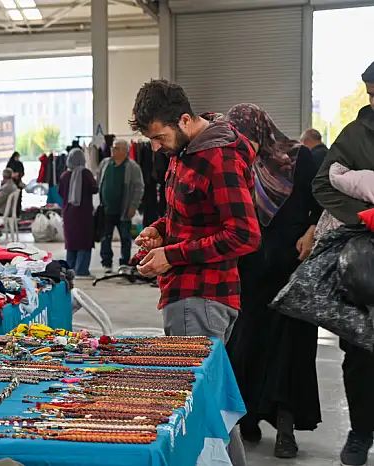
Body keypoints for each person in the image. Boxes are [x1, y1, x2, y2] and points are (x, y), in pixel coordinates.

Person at [129, 79, 261, 466]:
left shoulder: (217, 158)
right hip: (191, 295)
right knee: (210, 403)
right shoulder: (186, 150)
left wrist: (173, 255)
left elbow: (244, 235)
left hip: (201, 298)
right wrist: (160, 230)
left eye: (159, 137)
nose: (156, 147)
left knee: (198, 410)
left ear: (185, 120)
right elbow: (190, 216)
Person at [224, 104, 322, 458]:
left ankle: (286, 427)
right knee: (247, 344)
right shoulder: (235, 161)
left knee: (289, 350)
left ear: (260, 130)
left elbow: (322, 201)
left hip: (291, 269)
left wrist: (312, 231)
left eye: (245, 136)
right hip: (250, 271)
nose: (242, 143)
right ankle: (248, 418)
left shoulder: (299, 159)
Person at [311, 60, 374, 466]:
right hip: (365, 263)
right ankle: (360, 432)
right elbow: (322, 184)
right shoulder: (355, 135)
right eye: (371, 93)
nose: (373, 100)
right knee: (359, 352)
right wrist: (364, 214)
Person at [96, 139, 144, 274]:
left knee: (125, 238)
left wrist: (133, 206)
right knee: (106, 237)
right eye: (113, 147)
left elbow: (139, 188)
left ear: (124, 151)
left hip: (124, 209)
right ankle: (106, 263)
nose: (113, 150)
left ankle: (124, 263)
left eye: (116, 148)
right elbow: (99, 181)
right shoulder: (105, 163)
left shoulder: (132, 167)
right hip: (106, 209)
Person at [58, 148, 98, 277]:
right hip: (84, 214)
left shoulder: (64, 176)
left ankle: (70, 268)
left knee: (71, 242)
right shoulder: (86, 174)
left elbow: (60, 192)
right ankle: (82, 269)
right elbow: (94, 189)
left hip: (68, 213)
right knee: (84, 242)